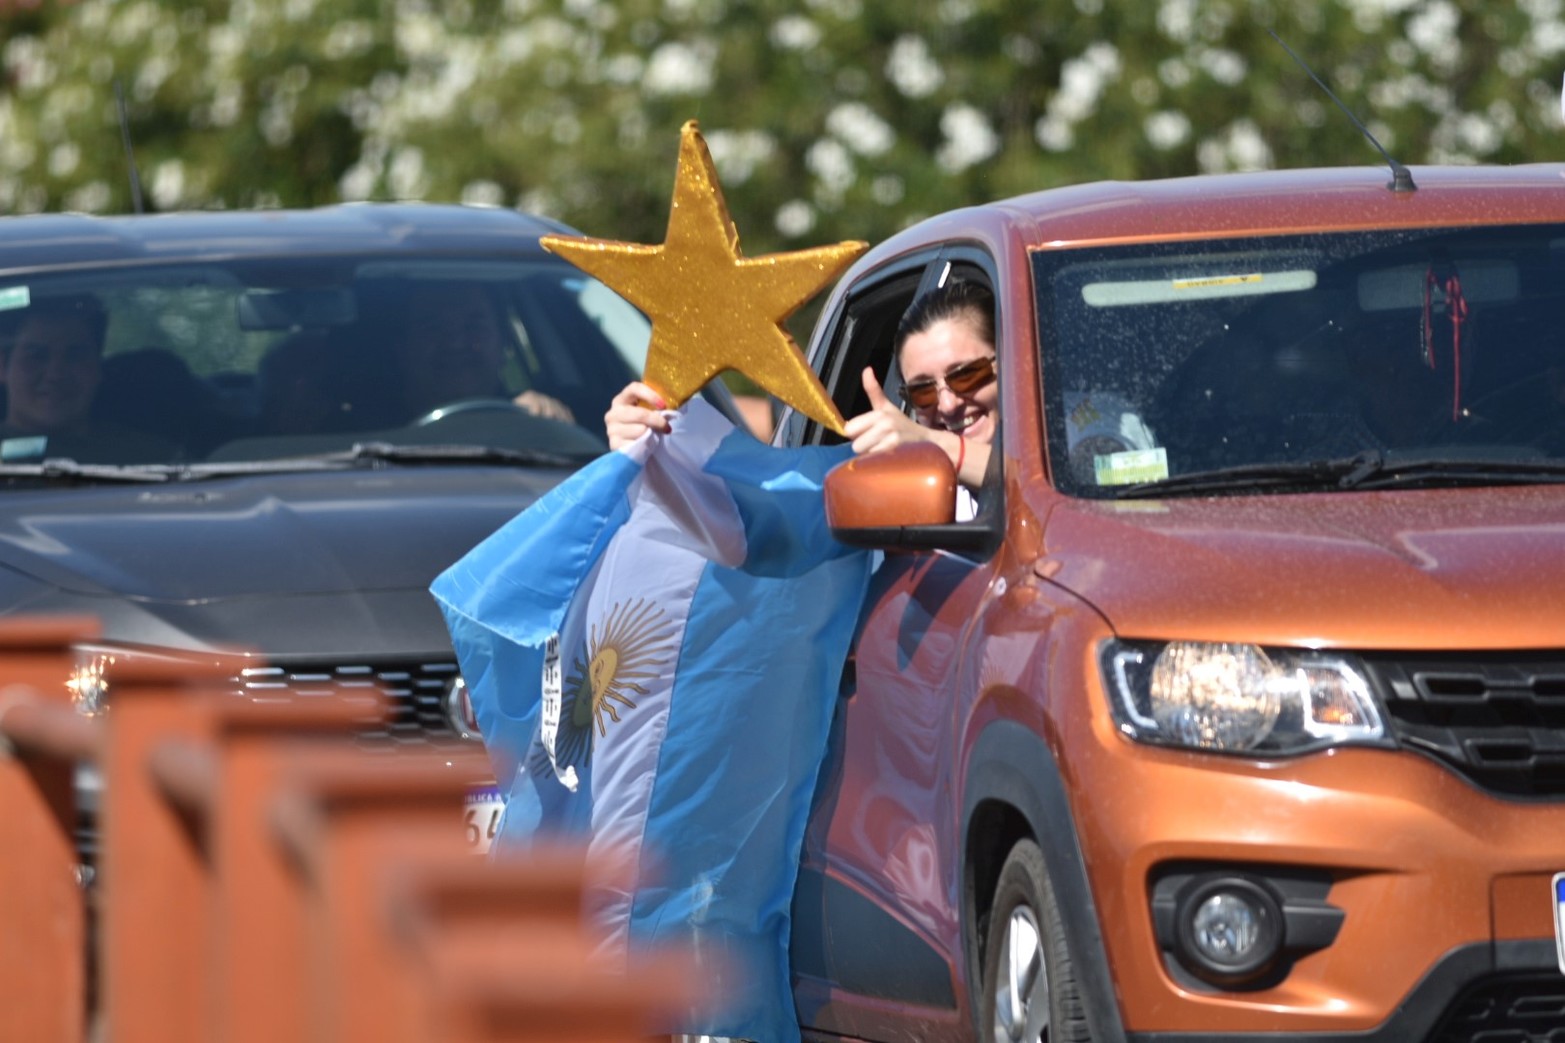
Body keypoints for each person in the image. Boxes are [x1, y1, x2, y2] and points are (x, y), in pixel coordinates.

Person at [605, 279, 999, 521]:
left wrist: (929, 444)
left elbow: (1049, 491)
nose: (948, 405)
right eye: (923, 391)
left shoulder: (1063, 443)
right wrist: (650, 455)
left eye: (968, 375)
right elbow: (739, 531)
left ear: (1013, 361)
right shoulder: (900, 477)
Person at [0, 294, 172, 463]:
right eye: (37, 355)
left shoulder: (152, 461)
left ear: (98, 369)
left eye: (74, 356)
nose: (56, 374)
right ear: (3, 367)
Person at [389, 282, 575, 425]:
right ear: (402, 349)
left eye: (473, 327)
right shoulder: (366, 437)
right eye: (434, 328)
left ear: (505, 343)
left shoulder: (536, 419)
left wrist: (549, 422)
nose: (455, 343)